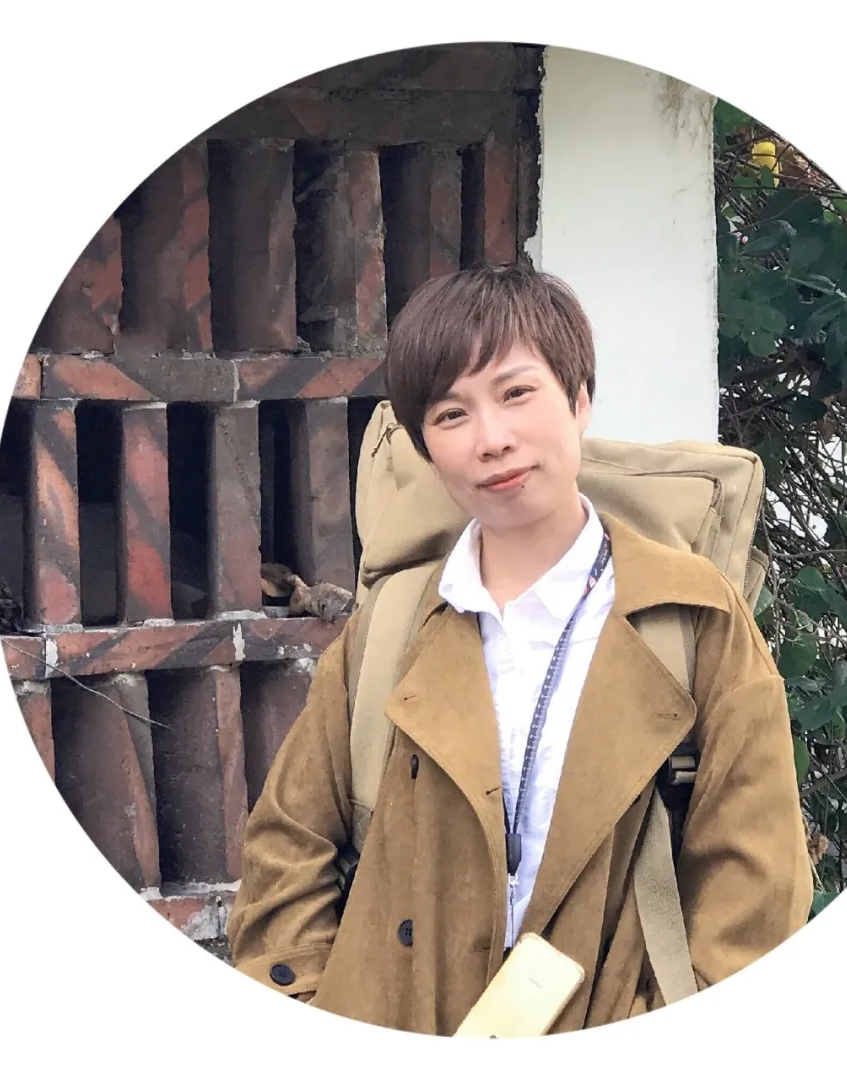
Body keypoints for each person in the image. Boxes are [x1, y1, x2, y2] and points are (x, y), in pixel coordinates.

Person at [226, 264, 813, 1034]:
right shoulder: (393, 624)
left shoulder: (690, 619)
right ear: (426, 447)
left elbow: (754, 895)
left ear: (579, 399)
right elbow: (288, 844)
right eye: (451, 414)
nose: (491, 440)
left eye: (516, 393)